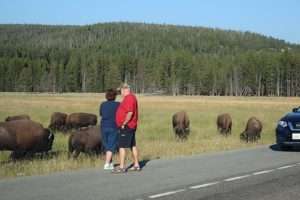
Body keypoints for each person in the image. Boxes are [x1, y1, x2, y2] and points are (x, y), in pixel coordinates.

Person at [113, 83, 140, 173]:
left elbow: (130, 112)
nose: (120, 93)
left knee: (122, 146)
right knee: (133, 145)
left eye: (120, 91)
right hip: (131, 125)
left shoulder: (129, 98)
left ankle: (122, 167)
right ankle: (136, 165)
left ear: (124, 90)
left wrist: (124, 123)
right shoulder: (131, 97)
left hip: (127, 126)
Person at [99, 89, 120, 170]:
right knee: (111, 145)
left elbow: (101, 114)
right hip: (113, 126)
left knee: (106, 144)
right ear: (114, 96)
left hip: (103, 126)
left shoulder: (103, 104)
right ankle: (107, 164)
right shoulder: (118, 104)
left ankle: (110, 163)